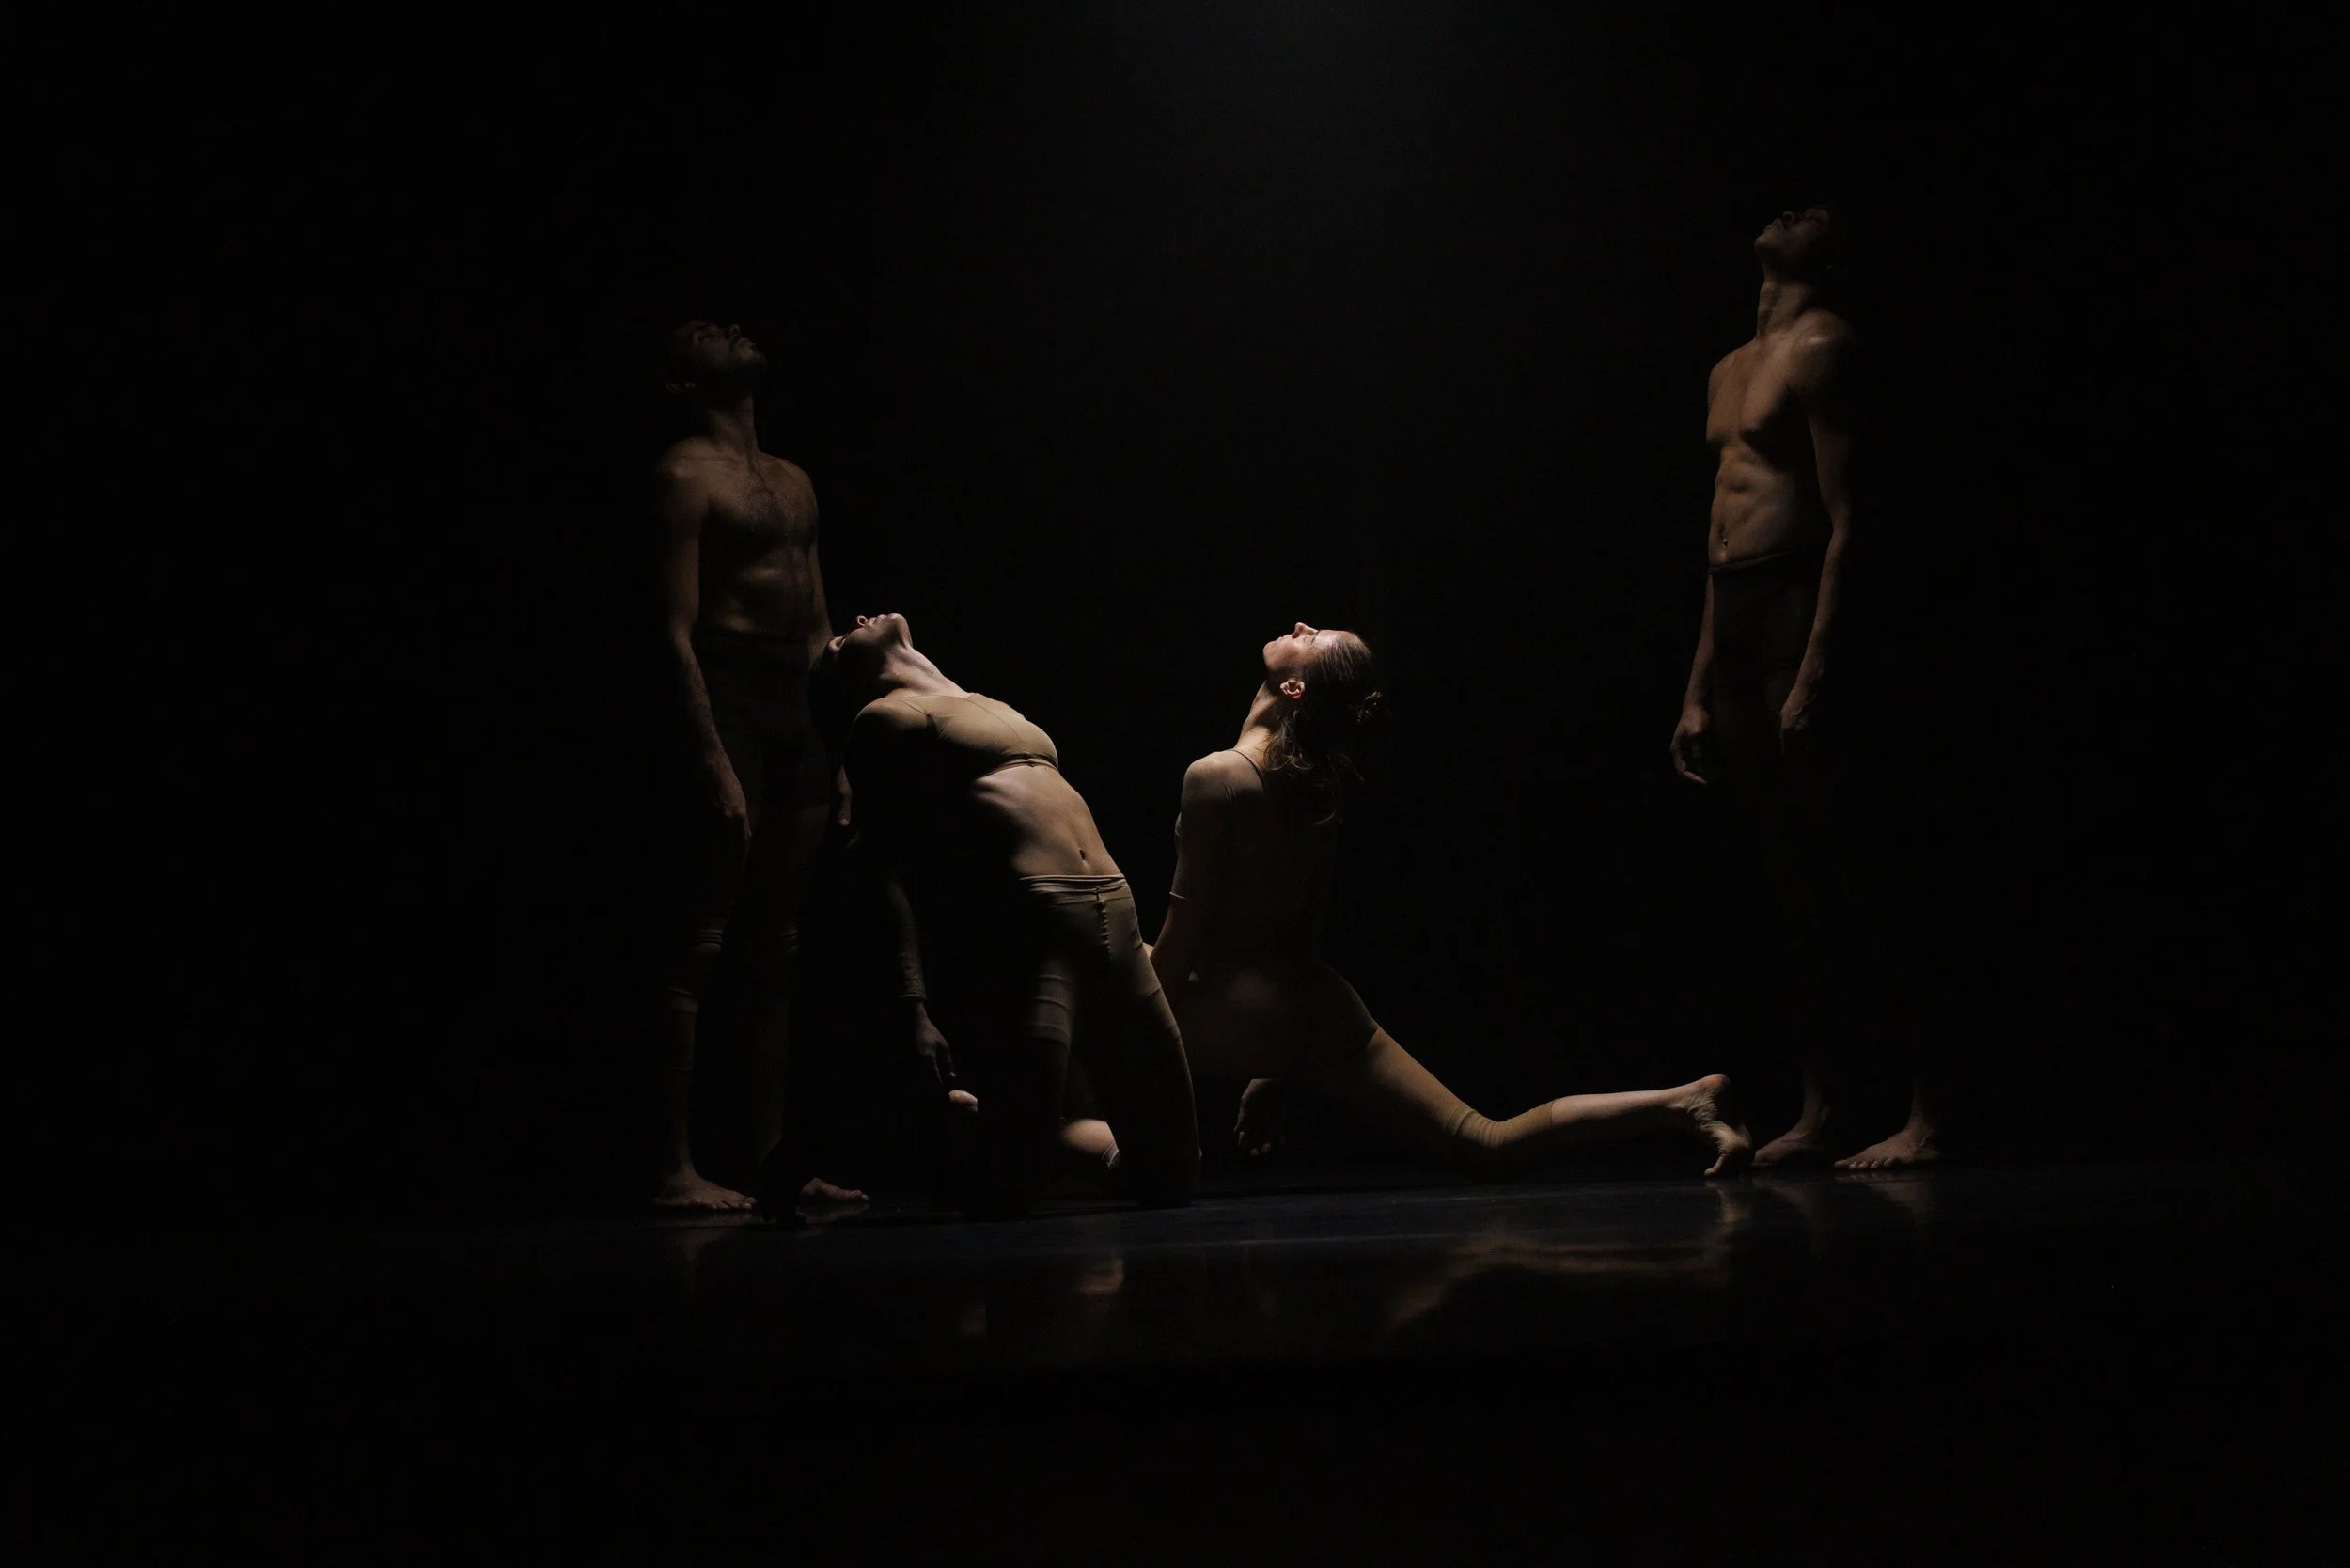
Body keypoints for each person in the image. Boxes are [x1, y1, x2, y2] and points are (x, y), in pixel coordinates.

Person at [1152, 623, 1752, 1179]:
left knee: (1093, 993)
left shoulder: (1217, 776)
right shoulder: (1315, 781)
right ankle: (1684, 1101)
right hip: (1317, 1003)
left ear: (1292, 686)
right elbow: (1307, 929)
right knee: (1485, 1140)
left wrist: (1130, 1031)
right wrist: (1275, 1061)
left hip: (1252, 1005)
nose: (1304, 626)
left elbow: (1183, 936)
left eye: (1316, 638)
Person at [1669, 207, 1938, 1169]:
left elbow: (1849, 520)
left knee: (1859, 869)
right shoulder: (1727, 369)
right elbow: (1717, 538)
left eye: (1807, 215)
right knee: (1791, 884)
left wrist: (1818, 664)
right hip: (1739, 616)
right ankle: (1824, 1106)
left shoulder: (1826, 346)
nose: (1784, 208)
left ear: (1828, 257)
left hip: (1795, 611)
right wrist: (1698, 685)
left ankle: (1927, 1113)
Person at [811, 612, 1200, 1217]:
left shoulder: (976, 700)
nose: (858, 620)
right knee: (1010, 1193)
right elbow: (879, 871)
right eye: (839, 641)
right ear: (848, 679)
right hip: (1036, 932)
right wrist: (911, 1006)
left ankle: (1032, 1130)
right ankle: (959, 1130)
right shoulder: (880, 720)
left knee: (1172, 1178)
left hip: (1116, 920)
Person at [647, 319, 863, 1211]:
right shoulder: (681, 475)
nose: (723, 329)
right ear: (681, 380)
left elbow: (818, 625)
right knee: (700, 937)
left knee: (779, 946)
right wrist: (709, 755)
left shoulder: (794, 481)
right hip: (729, 696)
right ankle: (670, 1169)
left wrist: (836, 746)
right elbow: (672, 630)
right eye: (699, 332)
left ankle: (774, 1161)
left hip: (794, 706)